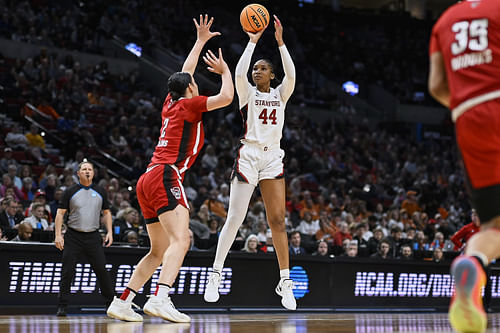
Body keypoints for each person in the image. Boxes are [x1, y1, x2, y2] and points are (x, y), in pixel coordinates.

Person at [106, 14, 233, 323]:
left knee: (158, 249)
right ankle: (161, 297)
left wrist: (200, 41)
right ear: (190, 90)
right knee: (182, 239)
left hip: (147, 178)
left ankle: (123, 301)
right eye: (194, 84)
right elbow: (227, 96)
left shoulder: (170, 102)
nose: (196, 83)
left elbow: (184, 72)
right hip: (165, 173)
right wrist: (226, 70)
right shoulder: (190, 105)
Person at [203, 15, 297, 310]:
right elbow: (239, 73)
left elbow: (292, 76)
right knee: (235, 218)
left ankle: (285, 281)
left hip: (272, 157)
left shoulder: (282, 94)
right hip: (249, 155)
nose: (257, 71)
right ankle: (215, 273)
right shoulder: (248, 94)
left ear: (272, 75)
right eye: (256, 68)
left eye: (263, 68)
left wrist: (280, 43)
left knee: (278, 221)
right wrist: (253, 41)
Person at [428, 1, 500, 331]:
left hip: (469, 117)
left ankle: (473, 261)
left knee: (493, 227)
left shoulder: (444, 21)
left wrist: (473, 105)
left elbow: (437, 87)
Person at [54, 161, 114, 317]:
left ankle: (111, 304)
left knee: (102, 270)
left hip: (93, 236)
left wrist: (110, 232)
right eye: (84, 169)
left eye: (90, 169)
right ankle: (62, 305)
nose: (87, 171)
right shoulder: (70, 191)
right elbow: (60, 214)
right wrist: (58, 235)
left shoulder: (101, 191)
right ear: (78, 173)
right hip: (73, 235)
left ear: (93, 173)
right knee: (67, 271)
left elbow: (107, 213)